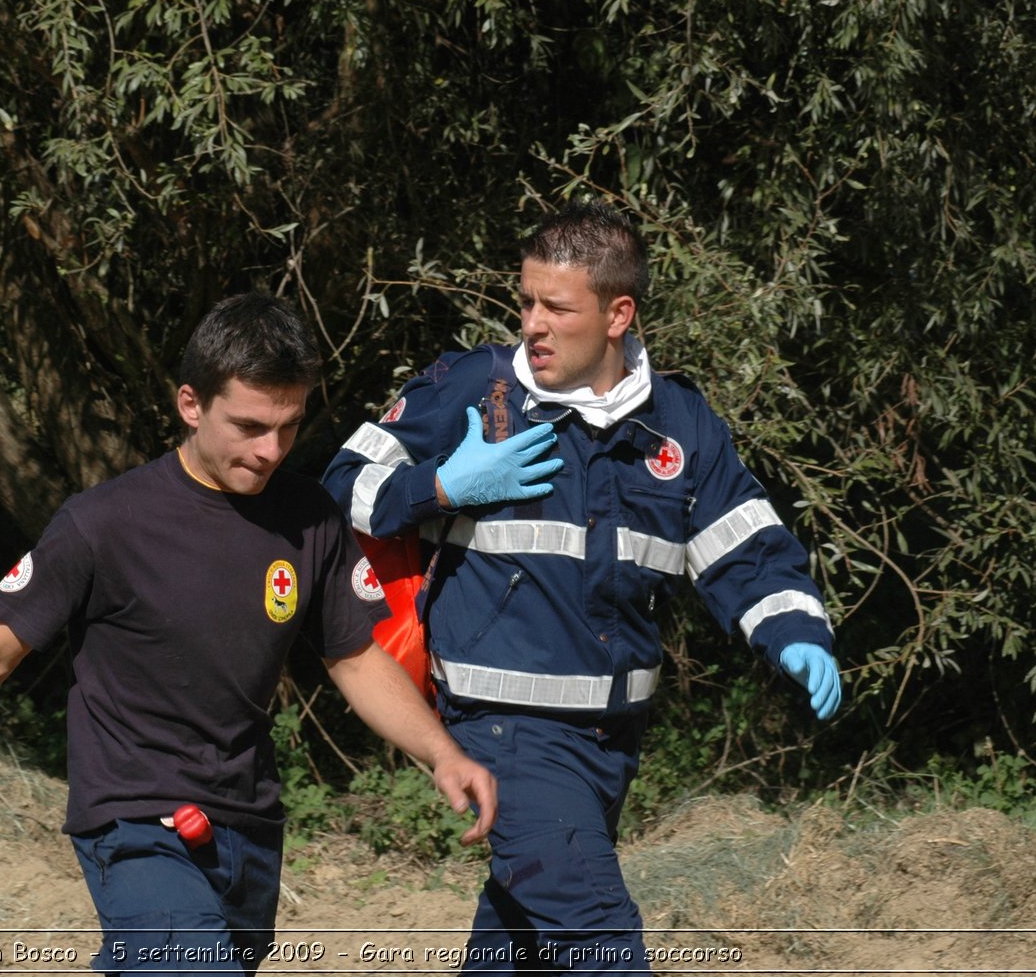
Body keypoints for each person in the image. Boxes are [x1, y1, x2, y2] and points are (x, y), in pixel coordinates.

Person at [0, 292, 497, 975]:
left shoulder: (309, 518)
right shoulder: (103, 524)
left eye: (288, 427)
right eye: (248, 426)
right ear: (191, 404)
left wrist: (442, 754)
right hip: (135, 820)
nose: (270, 450)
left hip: (249, 826)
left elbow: (355, 658)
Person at [321, 202, 841, 973]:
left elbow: (747, 546)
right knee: (601, 943)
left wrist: (795, 632)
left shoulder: (681, 425)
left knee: (520, 949)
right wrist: (439, 488)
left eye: (556, 307)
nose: (533, 323)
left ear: (617, 314)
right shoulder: (472, 388)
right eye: (525, 301)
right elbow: (340, 485)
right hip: (504, 732)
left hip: (611, 743)